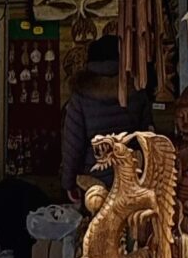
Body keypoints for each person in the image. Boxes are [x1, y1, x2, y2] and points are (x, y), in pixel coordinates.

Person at [59, 35, 152, 202]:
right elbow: (147, 138)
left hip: (93, 182)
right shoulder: (136, 90)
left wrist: (69, 183)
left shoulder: (81, 94)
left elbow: (73, 145)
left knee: (97, 225)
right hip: (132, 178)